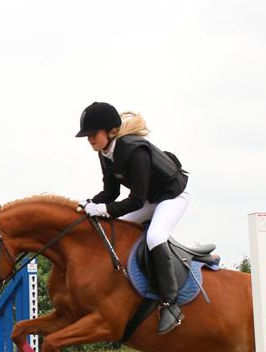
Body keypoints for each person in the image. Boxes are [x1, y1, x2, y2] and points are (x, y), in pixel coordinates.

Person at [76, 101, 191, 334]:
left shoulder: (134, 150)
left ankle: (171, 304)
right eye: (86, 135)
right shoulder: (105, 153)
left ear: (111, 131)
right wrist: (89, 203)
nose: (90, 140)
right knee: (118, 230)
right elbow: (111, 192)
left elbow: (136, 200)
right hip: (151, 199)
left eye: (92, 134)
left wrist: (104, 209)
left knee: (155, 236)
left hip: (173, 196)